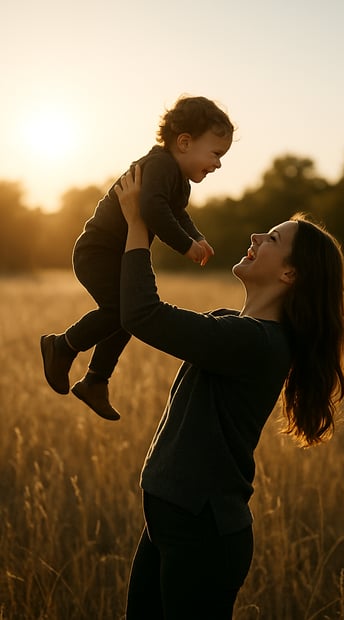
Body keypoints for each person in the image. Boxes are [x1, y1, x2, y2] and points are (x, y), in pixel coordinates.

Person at [114, 166, 344, 620]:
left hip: (203, 533)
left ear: (289, 276)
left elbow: (141, 314)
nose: (257, 235)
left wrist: (138, 226)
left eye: (274, 240)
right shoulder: (239, 329)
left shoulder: (254, 342)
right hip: (173, 521)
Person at [40, 95, 234, 420]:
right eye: (215, 153)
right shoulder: (159, 165)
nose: (218, 163)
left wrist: (197, 236)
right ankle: (62, 347)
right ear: (184, 142)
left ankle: (95, 381)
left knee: (130, 312)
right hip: (98, 252)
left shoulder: (178, 181)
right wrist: (185, 246)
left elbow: (177, 212)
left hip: (120, 255)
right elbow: (152, 209)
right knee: (122, 310)